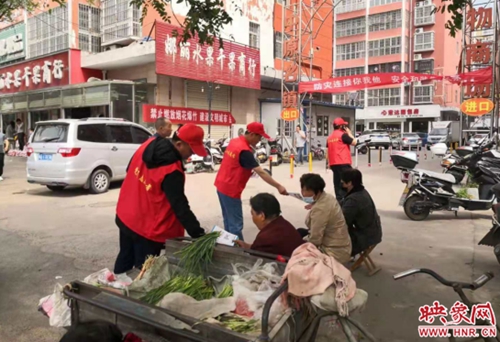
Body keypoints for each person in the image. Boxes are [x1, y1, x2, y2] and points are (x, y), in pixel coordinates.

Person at [113, 123, 207, 274]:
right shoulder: (172, 169)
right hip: (147, 230)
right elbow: (179, 205)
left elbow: (129, 168)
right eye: (191, 150)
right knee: (144, 274)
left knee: (125, 257)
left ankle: (112, 291)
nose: (192, 155)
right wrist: (198, 233)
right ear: (179, 144)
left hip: (127, 215)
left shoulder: (148, 144)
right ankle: (134, 296)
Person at [214, 122, 288, 241]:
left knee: (228, 220)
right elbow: (261, 172)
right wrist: (279, 186)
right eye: (259, 137)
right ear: (252, 134)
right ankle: (238, 251)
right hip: (231, 189)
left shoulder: (234, 142)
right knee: (236, 225)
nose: (259, 140)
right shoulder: (244, 151)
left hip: (221, 185)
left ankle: (228, 245)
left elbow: (236, 164)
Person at [298, 173, 352, 263]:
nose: (303, 193)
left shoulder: (320, 209)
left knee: (294, 248)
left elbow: (315, 239)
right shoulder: (327, 197)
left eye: (306, 190)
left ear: (317, 191)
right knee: (299, 232)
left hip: (334, 250)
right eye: (302, 189)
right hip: (341, 243)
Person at [235, 193, 304, 257]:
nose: (252, 217)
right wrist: (247, 246)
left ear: (262, 216)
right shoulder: (285, 224)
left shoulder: (265, 238)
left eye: (252, 214)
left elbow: (255, 262)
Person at [340, 169, 382, 256]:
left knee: (330, 237)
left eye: (343, 182)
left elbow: (341, 221)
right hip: (374, 233)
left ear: (349, 183)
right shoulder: (362, 192)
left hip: (366, 237)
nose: (341, 183)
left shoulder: (353, 200)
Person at [327, 118, 357, 200]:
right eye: (344, 125)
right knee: (351, 182)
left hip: (333, 164)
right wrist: (349, 133)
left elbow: (328, 150)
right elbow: (354, 142)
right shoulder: (343, 135)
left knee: (337, 183)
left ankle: (339, 200)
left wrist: (327, 164)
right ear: (341, 126)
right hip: (343, 163)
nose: (345, 126)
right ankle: (350, 200)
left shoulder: (330, 137)